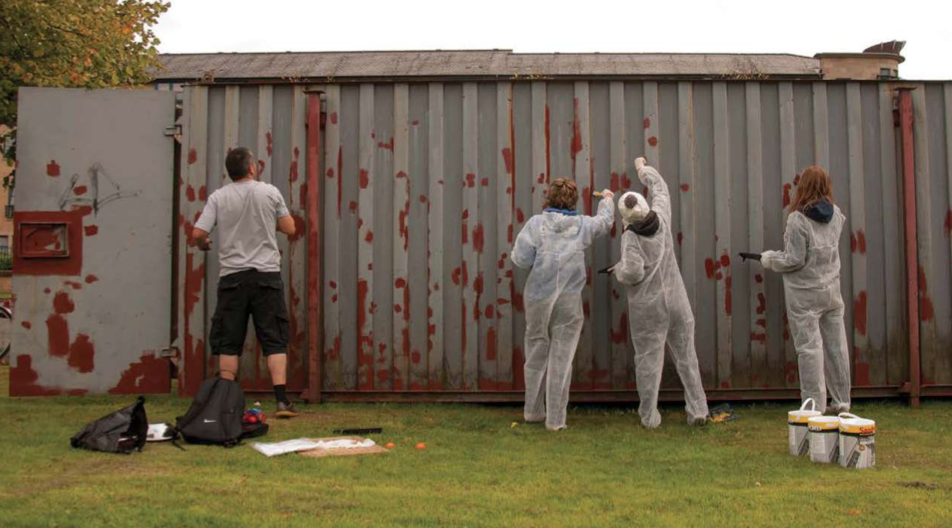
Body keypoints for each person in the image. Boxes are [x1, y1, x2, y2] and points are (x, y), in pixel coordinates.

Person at [191, 147, 299, 418]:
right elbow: (289, 228)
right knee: (274, 338)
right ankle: (282, 401)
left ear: (230, 172)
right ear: (252, 168)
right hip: (266, 276)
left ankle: (224, 402)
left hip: (232, 278)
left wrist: (204, 243)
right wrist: (265, 223)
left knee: (229, 340)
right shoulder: (270, 192)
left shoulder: (218, 197)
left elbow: (198, 232)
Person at [612, 157, 708, 428]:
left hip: (648, 308)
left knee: (648, 362)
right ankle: (698, 410)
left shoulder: (630, 238)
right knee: (687, 356)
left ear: (625, 217)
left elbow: (633, 274)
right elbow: (661, 189)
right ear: (644, 206)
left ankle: (649, 417)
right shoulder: (662, 219)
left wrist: (618, 269)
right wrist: (643, 168)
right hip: (677, 301)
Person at [510, 178, 614, 431]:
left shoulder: (536, 224)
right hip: (568, 300)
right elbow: (604, 223)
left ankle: (532, 411)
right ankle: (555, 420)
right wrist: (608, 200)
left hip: (538, 298)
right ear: (573, 199)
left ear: (549, 197)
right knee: (562, 357)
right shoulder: (582, 226)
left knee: (535, 351)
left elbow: (521, 259)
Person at [759, 166, 850, 414]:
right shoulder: (837, 216)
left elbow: (794, 259)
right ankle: (842, 403)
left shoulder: (798, 220)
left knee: (810, 350)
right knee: (836, 347)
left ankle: (814, 409)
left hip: (805, 296)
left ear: (803, 187)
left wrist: (768, 259)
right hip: (832, 291)